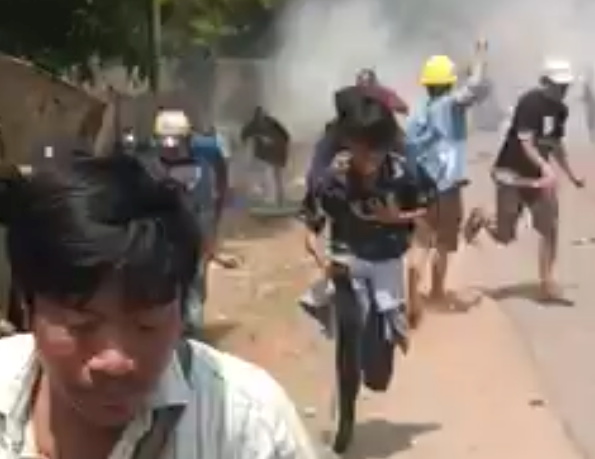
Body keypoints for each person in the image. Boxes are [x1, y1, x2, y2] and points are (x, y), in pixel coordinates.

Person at [0, 151, 317, 459]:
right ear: (28, 311)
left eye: (147, 324)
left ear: (181, 312)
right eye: (81, 326)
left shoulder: (247, 425)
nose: (115, 361)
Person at [300, 87, 434, 454]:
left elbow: (429, 210)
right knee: (349, 328)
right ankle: (345, 410)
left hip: (388, 261)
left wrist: (398, 217)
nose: (369, 159)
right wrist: (314, 246)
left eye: (376, 150)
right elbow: (311, 217)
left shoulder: (405, 171)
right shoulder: (333, 176)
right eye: (362, 149)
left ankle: (371, 363)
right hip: (346, 261)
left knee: (378, 375)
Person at [464, 58, 584, 302]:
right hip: (511, 174)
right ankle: (482, 216)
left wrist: (570, 174)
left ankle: (546, 281)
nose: (562, 91)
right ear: (545, 82)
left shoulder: (561, 110)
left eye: (565, 86)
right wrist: (545, 167)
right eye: (557, 85)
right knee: (504, 236)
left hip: (539, 179)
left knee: (550, 227)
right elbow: (525, 142)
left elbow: (555, 143)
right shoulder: (530, 103)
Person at [404, 40, 489, 326]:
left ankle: (413, 278)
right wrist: (480, 55)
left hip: (420, 187)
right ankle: (437, 291)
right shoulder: (450, 106)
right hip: (446, 188)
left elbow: (408, 150)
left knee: (420, 240)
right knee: (443, 243)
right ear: (448, 85)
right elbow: (477, 87)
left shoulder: (418, 113)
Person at [152, 109, 218, 335]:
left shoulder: (201, 170)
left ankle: (191, 346)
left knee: (193, 297)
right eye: (166, 142)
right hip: (160, 244)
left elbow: (206, 211)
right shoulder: (149, 170)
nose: (170, 147)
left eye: (175, 142)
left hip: (189, 242)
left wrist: (208, 244)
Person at [240, 106, 290, 206]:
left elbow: (286, 137)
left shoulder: (272, 124)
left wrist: (276, 143)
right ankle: (267, 197)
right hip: (265, 155)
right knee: (266, 173)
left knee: (276, 175)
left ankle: (279, 199)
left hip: (276, 151)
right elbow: (244, 134)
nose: (260, 119)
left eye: (261, 116)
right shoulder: (255, 125)